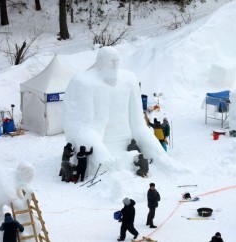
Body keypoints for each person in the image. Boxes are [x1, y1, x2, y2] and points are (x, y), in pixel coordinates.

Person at [64, 47, 166, 176]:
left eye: (117, 61)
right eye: (110, 61)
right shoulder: (84, 83)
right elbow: (81, 127)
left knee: (159, 157)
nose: (114, 65)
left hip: (126, 140)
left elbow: (138, 124)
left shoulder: (129, 80)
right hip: (99, 139)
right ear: (100, 62)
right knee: (107, 166)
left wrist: (160, 155)